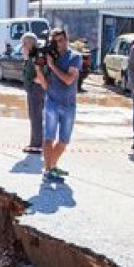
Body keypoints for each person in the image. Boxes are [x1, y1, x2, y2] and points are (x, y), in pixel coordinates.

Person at [35, 28, 82, 184]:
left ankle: (51, 166)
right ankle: (48, 171)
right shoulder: (49, 56)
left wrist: (52, 65)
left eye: (61, 40)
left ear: (67, 40)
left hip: (69, 104)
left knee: (63, 140)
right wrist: (38, 67)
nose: (58, 44)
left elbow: (69, 80)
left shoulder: (75, 57)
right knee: (49, 137)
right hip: (52, 102)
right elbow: (41, 81)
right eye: (55, 41)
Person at [21, 32, 46, 154]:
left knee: (36, 116)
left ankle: (37, 144)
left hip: (37, 88)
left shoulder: (37, 55)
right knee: (33, 115)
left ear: (30, 43)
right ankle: (34, 142)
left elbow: (43, 71)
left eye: (24, 43)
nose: (22, 46)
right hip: (33, 88)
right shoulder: (31, 55)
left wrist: (37, 80)